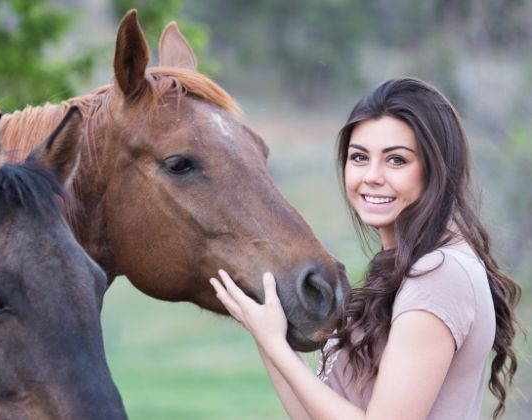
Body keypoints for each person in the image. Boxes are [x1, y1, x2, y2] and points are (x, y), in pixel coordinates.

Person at [210, 77, 520, 419]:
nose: (371, 176)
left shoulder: (439, 273)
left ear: (436, 170)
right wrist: (269, 338)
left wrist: (274, 345)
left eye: (396, 160)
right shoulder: (411, 266)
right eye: (359, 157)